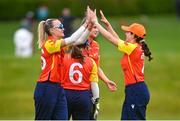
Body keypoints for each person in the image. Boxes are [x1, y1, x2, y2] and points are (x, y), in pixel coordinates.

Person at [91, 9, 152, 120]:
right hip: (134, 90)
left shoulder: (132, 48)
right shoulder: (132, 47)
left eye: (128, 32)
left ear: (134, 35)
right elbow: (117, 39)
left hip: (136, 90)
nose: (125, 33)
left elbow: (111, 39)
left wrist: (96, 23)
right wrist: (108, 25)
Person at [34, 9, 92, 120]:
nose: (63, 28)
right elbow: (72, 39)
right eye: (60, 27)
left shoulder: (58, 45)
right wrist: (85, 23)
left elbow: (78, 41)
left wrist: (89, 26)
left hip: (58, 87)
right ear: (51, 30)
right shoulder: (50, 44)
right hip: (47, 86)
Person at [61, 44, 99, 120]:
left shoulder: (64, 58)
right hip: (83, 96)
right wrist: (96, 100)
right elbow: (94, 84)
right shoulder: (91, 61)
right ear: (86, 48)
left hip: (65, 94)